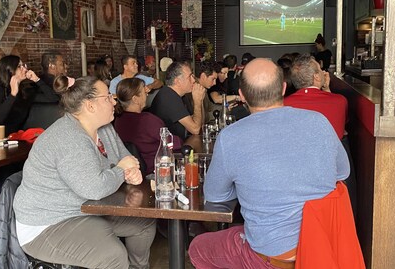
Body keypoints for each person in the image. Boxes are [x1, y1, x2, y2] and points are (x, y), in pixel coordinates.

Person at [189, 58, 350, 268]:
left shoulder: (230, 137)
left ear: (242, 96)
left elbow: (215, 196)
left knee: (198, 248)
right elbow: (342, 172)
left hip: (271, 258)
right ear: (284, 89)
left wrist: (248, 186)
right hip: (322, 249)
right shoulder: (320, 121)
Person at [13, 76, 155, 268]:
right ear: (90, 106)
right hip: (47, 223)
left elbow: (126, 158)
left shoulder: (104, 128)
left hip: (83, 209)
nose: (114, 101)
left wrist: (130, 170)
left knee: (142, 223)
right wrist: (121, 170)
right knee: (112, 256)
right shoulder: (69, 137)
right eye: (108, 98)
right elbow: (94, 188)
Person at [114, 78, 182, 174]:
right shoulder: (147, 120)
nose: (147, 92)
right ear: (135, 99)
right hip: (157, 172)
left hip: (134, 173)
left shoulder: (118, 121)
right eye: (143, 90)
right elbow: (174, 143)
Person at [0, 55, 58, 133]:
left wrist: (37, 80)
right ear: (9, 70)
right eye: (19, 66)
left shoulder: (24, 92)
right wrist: (12, 95)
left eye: (24, 65)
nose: (25, 69)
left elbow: (54, 98)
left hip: (14, 138)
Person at [285, 54, 347, 139]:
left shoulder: (283, 105)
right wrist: (327, 90)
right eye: (321, 70)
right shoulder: (340, 101)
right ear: (316, 76)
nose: (324, 72)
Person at [149, 61, 205, 139]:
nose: (193, 80)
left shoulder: (182, 96)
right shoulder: (168, 97)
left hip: (182, 141)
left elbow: (199, 122)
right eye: (189, 77)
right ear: (177, 81)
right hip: (170, 147)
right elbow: (195, 129)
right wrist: (197, 101)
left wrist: (200, 99)